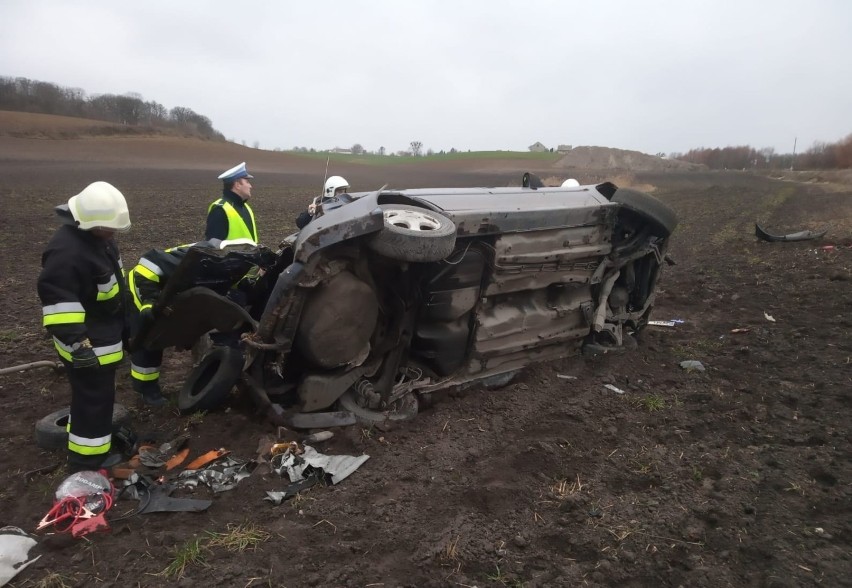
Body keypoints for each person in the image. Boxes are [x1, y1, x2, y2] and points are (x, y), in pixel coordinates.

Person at [37, 181, 131, 473]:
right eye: (108, 228)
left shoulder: (99, 239)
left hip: (102, 333)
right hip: (87, 344)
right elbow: (59, 304)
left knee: (99, 399)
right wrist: (79, 345)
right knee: (93, 401)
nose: (113, 233)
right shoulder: (66, 253)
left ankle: (97, 442)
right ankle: (86, 460)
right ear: (87, 221)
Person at [127, 239, 275, 401]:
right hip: (143, 287)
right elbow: (146, 266)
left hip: (172, 292)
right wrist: (148, 300)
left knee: (167, 329)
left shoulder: (232, 264)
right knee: (149, 337)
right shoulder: (197, 257)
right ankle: (146, 389)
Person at [206, 162, 258, 242]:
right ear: (237, 185)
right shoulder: (219, 210)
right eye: (247, 182)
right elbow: (213, 248)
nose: (250, 186)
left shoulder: (246, 207)